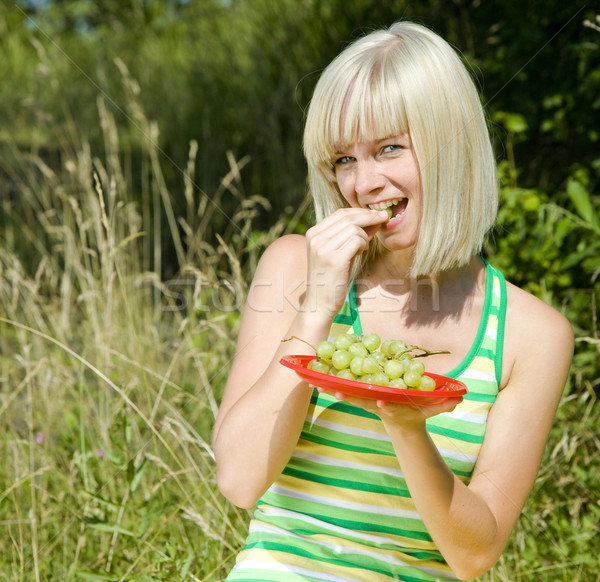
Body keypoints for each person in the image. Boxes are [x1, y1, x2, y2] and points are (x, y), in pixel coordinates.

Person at [212, 21, 573, 581]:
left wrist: (408, 426)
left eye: (388, 149)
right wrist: (317, 310)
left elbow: (475, 554)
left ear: (450, 146)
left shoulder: (532, 335)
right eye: (344, 160)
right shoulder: (293, 266)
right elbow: (238, 480)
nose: (364, 184)